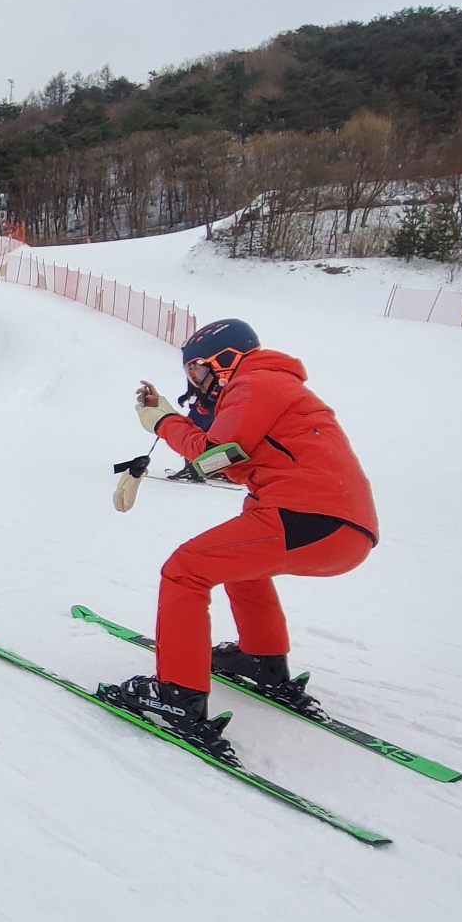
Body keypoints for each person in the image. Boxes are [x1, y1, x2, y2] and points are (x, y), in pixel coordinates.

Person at [101, 318, 379, 757]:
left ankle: (177, 695)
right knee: (238, 564)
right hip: (343, 529)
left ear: (225, 361)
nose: (196, 381)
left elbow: (215, 458)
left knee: (184, 570)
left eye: (197, 370)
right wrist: (171, 414)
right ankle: (261, 660)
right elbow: (226, 440)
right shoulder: (270, 384)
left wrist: (164, 424)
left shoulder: (255, 383)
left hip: (307, 515)